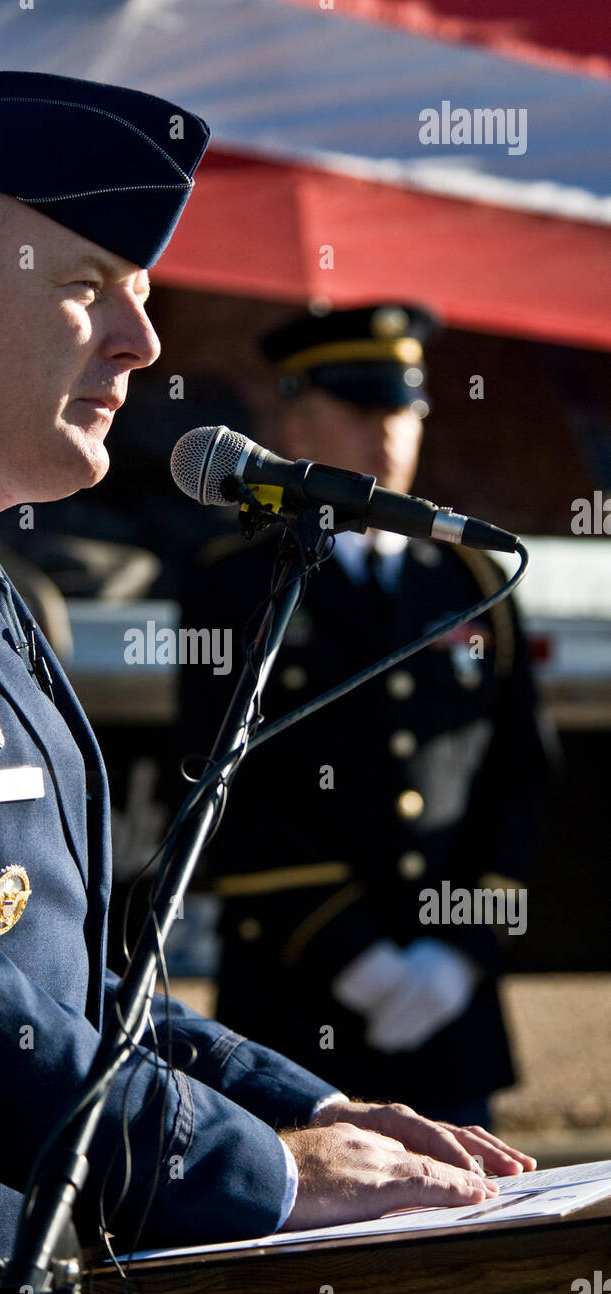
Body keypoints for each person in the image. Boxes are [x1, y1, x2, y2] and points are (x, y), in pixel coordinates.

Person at [0, 76, 532, 1294]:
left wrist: (313, 1106)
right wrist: (260, 1169)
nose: (143, 343)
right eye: (86, 287)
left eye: (144, 298)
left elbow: (59, 982)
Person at [181, 304, 557, 1128]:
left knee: (467, 1244)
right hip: (295, 1002)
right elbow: (224, 785)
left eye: (402, 409)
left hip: (448, 1016)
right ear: (295, 415)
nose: (384, 433)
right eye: (358, 408)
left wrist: (460, 950)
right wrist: (358, 959)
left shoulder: (468, 581)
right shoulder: (234, 584)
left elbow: (518, 774)